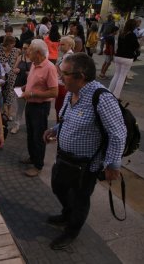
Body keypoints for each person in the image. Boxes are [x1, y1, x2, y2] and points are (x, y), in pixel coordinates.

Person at [43, 52, 126, 250]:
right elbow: (66, 119)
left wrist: (112, 165)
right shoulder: (71, 92)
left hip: (86, 165)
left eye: (64, 73)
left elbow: (118, 134)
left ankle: (72, 230)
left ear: (80, 76)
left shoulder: (102, 98)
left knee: (80, 199)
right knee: (58, 186)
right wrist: (54, 130)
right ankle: (67, 213)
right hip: (64, 158)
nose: (60, 76)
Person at [20, 39, 58, 177]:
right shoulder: (34, 64)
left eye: (29, 50)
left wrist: (32, 93)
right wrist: (26, 87)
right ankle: (33, 157)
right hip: (30, 104)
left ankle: (38, 165)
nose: (26, 52)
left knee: (38, 136)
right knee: (30, 134)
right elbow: (34, 82)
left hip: (40, 107)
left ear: (37, 53)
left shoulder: (49, 67)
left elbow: (54, 92)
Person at [109, 19, 139, 98]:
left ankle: (109, 91)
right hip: (127, 57)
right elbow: (136, 46)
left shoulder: (121, 33)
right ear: (133, 26)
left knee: (116, 75)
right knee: (122, 76)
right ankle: (116, 95)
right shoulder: (132, 35)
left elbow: (119, 44)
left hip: (118, 56)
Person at [0, 36, 20, 119]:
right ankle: (4, 111)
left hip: (12, 75)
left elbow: (18, 60)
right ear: (7, 44)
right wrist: (0, 65)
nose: (13, 45)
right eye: (12, 44)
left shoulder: (15, 51)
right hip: (2, 75)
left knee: (10, 93)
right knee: (2, 93)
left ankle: (8, 112)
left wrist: (16, 68)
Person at [11, 41, 32, 134]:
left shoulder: (34, 59)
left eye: (26, 48)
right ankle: (16, 125)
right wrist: (16, 70)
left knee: (30, 107)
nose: (24, 50)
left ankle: (30, 125)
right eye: (23, 48)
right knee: (20, 107)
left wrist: (30, 73)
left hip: (30, 86)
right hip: (19, 85)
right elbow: (14, 69)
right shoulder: (20, 57)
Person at [54, 36, 75, 122]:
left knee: (60, 109)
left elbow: (64, 74)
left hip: (63, 86)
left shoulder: (68, 57)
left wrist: (56, 67)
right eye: (60, 44)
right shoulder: (66, 55)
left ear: (69, 45)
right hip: (61, 85)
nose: (60, 46)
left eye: (63, 44)